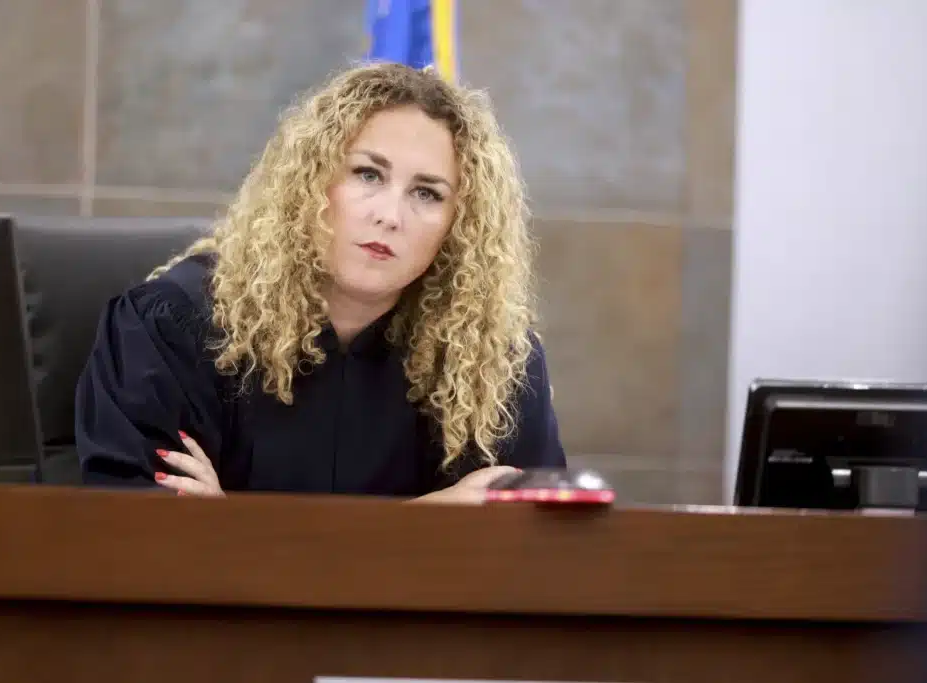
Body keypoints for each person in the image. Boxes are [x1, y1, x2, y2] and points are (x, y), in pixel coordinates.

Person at [75, 62, 566, 502]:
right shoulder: (172, 327)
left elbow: (526, 565)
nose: (390, 216)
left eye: (427, 193)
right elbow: (139, 551)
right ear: (310, 182)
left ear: (460, 224)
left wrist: (231, 532)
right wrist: (427, 522)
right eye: (368, 174)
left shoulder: (491, 363)